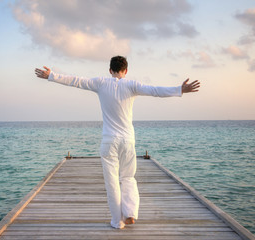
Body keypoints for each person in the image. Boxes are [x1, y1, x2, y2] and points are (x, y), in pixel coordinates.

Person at [35, 56, 200, 229]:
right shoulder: (132, 85)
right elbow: (155, 90)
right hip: (127, 140)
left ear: (110, 70)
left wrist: (51, 75)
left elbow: (76, 81)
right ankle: (130, 213)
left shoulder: (100, 82)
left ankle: (117, 222)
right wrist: (179, 89)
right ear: (126, 71)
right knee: (128, 177)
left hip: (109, 141)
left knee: (112, 182)